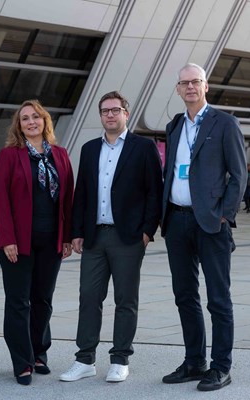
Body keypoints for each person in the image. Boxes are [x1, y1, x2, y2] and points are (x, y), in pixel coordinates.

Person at [59, 90, 163, 383]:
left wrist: (146, 232)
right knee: (89, 297)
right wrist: (76, 231)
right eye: (105, 111)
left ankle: (120, 358)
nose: (110, 115)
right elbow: (82, 194)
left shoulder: (143, 148)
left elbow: (155, 191)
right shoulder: (90, 149)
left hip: (128, 237)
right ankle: (85, 359)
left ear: (125, 114)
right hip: (94, 236)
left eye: (115, 110)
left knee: (125, 299)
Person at [160, 63, 247, 391]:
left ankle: (221, 367)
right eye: (184, 83)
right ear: (178, 89)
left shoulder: (224, 123)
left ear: (205, 86)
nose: (191, 87)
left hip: (210, 222)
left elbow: (239, 174)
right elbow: (171, 171)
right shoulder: (174, 125)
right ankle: (194, 361)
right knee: (184, 295)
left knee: (218, 298)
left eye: (196, 81)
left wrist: (225, 213)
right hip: (176, 219)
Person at [0, 100, 74, 385]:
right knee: (19, 302)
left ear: (44, 121)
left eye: (35, 117)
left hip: (51, 242)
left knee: (43, 300)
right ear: (19, 125)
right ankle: (22, 361)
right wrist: (8, 239)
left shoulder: (61, 156)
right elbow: (0, 200)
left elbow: (68, 200)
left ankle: (40, 352)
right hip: (17, 243)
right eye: (25, 118)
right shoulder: (9, 156)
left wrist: (66, 238)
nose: (31, 122)